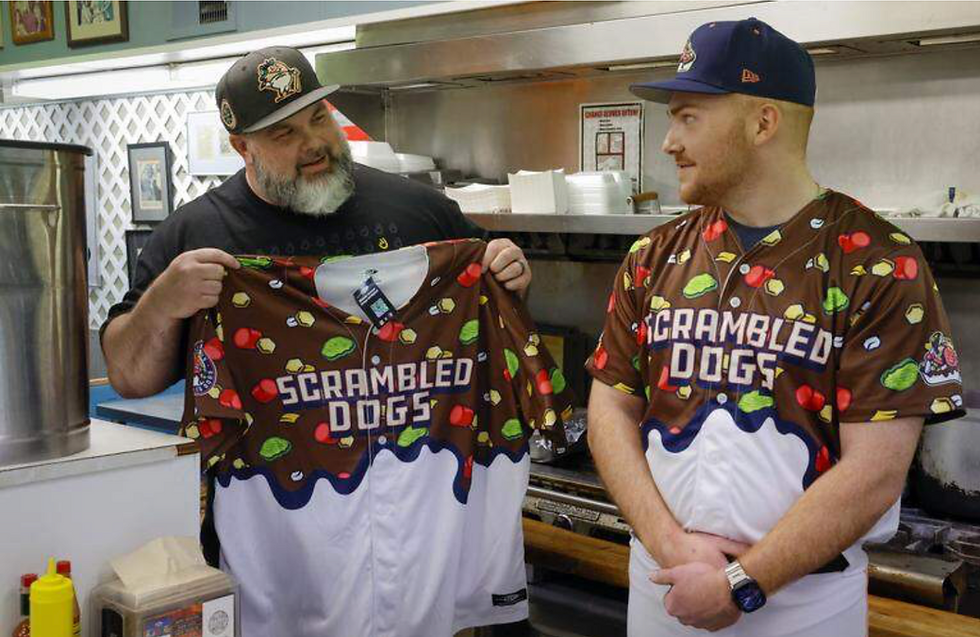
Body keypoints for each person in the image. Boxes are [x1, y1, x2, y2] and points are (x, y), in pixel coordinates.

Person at [100, 46, 534, 636]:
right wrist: (163, 303)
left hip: (418, 513)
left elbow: (496, 291)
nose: (313, 143)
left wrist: (510, 271)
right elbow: (129, 376)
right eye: (284, 133)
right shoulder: (197, 233)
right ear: (242, 147)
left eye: (319, 118)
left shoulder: (419, 211)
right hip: (280, 528)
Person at [586, 18, 964, 637]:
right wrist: (672, 547)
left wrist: (743, 582)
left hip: (802, 606)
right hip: (664, 588)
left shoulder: (877, 261)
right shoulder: (653, 257)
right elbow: (609, 409)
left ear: (763, 123)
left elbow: (876, 471)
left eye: (688, 118)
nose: (668, 143)